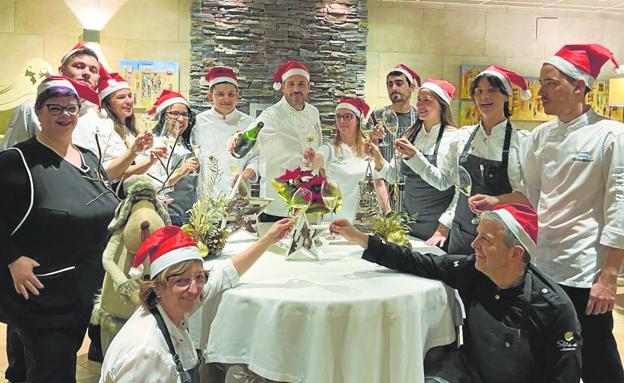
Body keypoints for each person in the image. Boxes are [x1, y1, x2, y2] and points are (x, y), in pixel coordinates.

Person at [475, 44, 624, 382]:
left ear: (580, 86)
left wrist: (609, 275)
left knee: (597, 355)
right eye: (541, 83)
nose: (541, 91)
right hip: (541, 264)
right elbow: (532, 196)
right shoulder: (541, 136)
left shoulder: (611, 135)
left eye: (551, 83)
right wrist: (496, 202)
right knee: (546, 354)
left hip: (586, 270)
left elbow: (620, 208)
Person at [330, 204, 582, 383]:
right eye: (477, 236)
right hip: (468, 373)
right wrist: (362, 238)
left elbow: (564, 376)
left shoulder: (554, 308)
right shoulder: (472, 271)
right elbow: (416, 261)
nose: (474, 245)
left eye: (485, 239)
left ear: (515, 253)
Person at [0, 76, 119, 383]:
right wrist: (12, 258)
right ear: (38, 113)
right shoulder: (17, 161)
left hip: (87, 290)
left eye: (71, 108)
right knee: (52, 374)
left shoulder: (89, 158)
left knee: (38, 369)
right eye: (54, 108)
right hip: (44, 295)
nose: (64, 115)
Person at [99, 220, 293, 382]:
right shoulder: (147, 352)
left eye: (199, 277)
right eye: (181, 280)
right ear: (157, 286)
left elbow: (224, 273)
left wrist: (267, 239)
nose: (194, 289)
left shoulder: (172, 304)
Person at [435, 65, 531, 255]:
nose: (483, 97)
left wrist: (496, 200)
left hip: (500, 238)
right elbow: (455, 187)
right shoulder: (462, 137)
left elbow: (529, 196)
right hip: (462, 235)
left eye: (491, 90)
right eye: (478, 91)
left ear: (506, 96)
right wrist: (445, 224)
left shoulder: (522, 141)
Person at [228, 60, 322, 221]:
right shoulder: (272, 115)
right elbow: (249, 137)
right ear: (283, 87)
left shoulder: (314, 112)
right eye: (291, 84)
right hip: (279, 202)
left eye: (301, 84)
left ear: (308, 87)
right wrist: (236, 137)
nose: (296, 89)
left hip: (310, 198)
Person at [367, 78, 458, 242]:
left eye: (427, 101)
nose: (420, 105)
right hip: (410, 224)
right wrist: (376, 154)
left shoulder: (454, 138)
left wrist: (443, 229)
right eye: (419, 100)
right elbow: (394, 174)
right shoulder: (411, 134)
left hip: (438, 229)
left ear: (442, 105)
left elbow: (445, 183)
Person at [303, 96, 372, 221]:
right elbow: (316, 161)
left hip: (360, 221)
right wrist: (312, 158)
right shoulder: (330, 148)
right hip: (332, 220)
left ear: (357, 120)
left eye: (347, 116)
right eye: (338, 116)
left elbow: (379, 182)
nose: (341, 121)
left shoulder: (369, 149)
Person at [193, 66, 258, 198]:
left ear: (238, 95)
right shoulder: (198, 122)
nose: (226, 99)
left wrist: (244, 177)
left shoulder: (249, 123)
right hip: (207, 194)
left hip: (238, 192)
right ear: (210, 96)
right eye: (220, 94)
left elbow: (256, 157)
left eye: (231, 94)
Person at [367, 64, 421, 211]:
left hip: (412, 190)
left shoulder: (420, 119)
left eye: (399, 83)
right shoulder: (377, 116)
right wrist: (373, 140)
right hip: (382, 188)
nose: (394, 88)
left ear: (411, 87)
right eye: (390, 84)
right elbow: (366, 154)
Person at [147, 90, 200, 226]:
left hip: (190, 214)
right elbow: (153, 185)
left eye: (184, 114)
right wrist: (180, 173)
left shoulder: (188, 143)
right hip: (166, 213)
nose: (181, 119)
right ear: (163, 116)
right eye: (175, 114)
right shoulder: (155, 143)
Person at [98, 72, 161, 184]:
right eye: (121, 97)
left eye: (130, 95)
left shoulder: (128, 130)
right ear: (107, 103)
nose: (129, 101)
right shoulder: (104, 129)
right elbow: (106, 175)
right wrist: (144, 158)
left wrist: (145, 148)